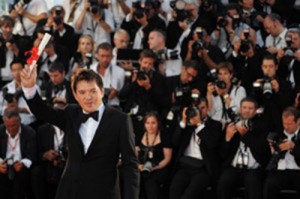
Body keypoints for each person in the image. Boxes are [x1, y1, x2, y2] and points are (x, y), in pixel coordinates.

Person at [20, 66, 139, 199]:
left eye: (93, 91)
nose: (88, 97)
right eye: (82, 92)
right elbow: (44, 112)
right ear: (75, 95)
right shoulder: (71, 113)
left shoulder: (120, 120)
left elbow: (130, 165)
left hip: (103, 193)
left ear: (101, 91)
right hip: (69, 191)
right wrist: (29, 88)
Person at [217, 97, 271, 199]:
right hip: (233, 168)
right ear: (240, 109)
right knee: (224, 182)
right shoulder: (232, 125)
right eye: (244, 107)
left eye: (250, 108)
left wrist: (244, 134)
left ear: (255, 111)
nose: (247, 110)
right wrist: (227, 138)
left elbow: (262, 149)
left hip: (253, 169)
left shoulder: (262, 126)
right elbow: (222, 154)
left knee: (253, 184)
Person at [169, 97, 222, 199]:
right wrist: (184, 121)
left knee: (190, 193)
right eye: (197, 108)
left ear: (208, 108)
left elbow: (211, 144)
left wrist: (198, 124)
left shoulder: (215, 125)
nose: (200, 111)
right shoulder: (187, 125)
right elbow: (174, 142)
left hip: (203, 168)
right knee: (174, 189)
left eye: (202, 108)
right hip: (185, 165)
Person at [264, 106, 300, 199]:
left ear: (298, 121)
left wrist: (293, 147)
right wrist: (272, 149)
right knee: (269, 185)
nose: (286, 127)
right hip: (280, 171)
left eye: (289, 124)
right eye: (284, 123)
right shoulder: (278, 132)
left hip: (298, 171)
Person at [0, 108, 37, 199]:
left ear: (19, 122)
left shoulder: (29, 132)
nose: (11, 129)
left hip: (20, 165)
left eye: (14, 125)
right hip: (4, 165)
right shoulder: (0, 131)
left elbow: (33, 153)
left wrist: (23, 163)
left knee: (22, 177)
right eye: (8, 126)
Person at [136, 112, 172, 199]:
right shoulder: (140, 135)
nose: (150, 126)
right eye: (147, 123)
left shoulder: (164, 135)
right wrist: (138, 165)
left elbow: (167, 159)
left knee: (150, 181)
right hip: (142, 167)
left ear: (158, 123)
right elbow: (134, 155)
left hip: (159, 167)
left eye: (153, 123)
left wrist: (153, 168)